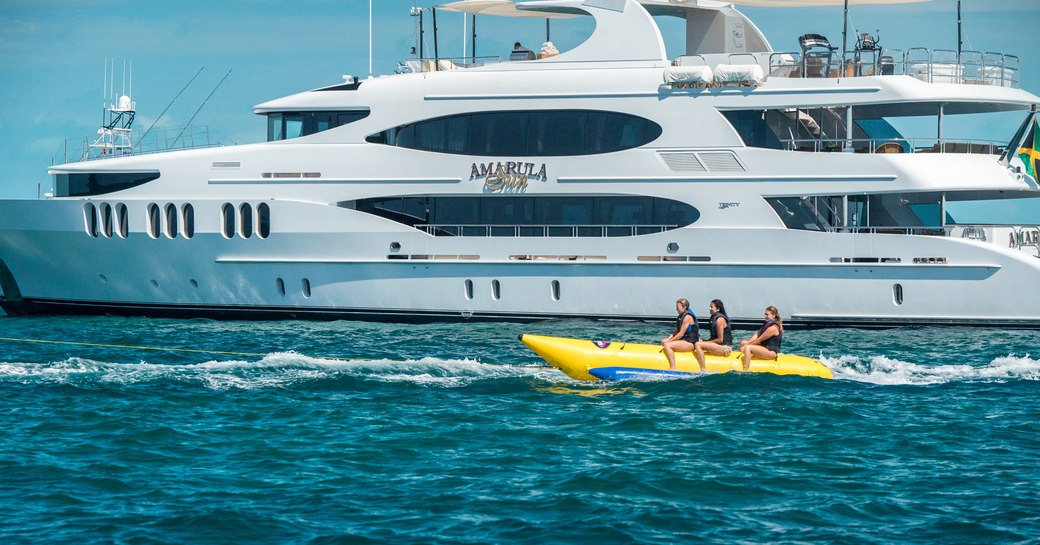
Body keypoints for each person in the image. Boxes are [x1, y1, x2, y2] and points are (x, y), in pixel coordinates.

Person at [739, 305, 783, 371]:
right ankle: (738, 358)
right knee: (743, 343)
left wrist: (746, 346)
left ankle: (745, 370)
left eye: (767, 314)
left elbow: (759, 340)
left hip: (771, 352)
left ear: (773, 315)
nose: (765, 316)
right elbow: (756, 335)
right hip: (764, 348)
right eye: (765, 314)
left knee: (748, 347)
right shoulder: (767, 324)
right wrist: (745, 344)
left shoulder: (773, 328)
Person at [661, 298, 699, 370]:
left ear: (684, 307)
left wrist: (669, 341)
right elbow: (676, 331)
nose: (676, 309)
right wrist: (668, 339)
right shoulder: (681, 316)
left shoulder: (687, 317)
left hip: (690, 342)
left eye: (677, 307)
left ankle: (673, 368)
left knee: (668, 345)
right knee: (664, 341)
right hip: (683, 341)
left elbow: (681, 334)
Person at [694, 299, 732, 371]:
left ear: (718, 309)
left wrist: (705, 343)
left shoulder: (719, 320)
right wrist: (704, 341)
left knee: (698, 344)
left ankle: (703, 369)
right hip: (719, 346)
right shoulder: (714, 318)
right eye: (710, 306)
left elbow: (720, 340)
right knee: (698, 340)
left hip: (725, 348)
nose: (709, 308)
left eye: (711, 307)